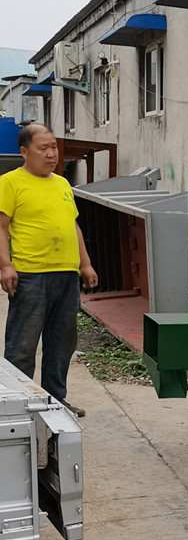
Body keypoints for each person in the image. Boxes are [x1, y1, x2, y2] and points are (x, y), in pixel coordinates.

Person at [0, 124, 98, 417]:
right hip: (30, 276)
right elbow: (1, 227)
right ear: (24, 152)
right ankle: (16, 407)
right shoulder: (10, 182)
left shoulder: (62, 184)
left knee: (61, 344)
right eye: (43, 148)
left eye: (53, 147)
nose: (51, 154)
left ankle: (55, 401)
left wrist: (85, 264)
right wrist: (5, 266)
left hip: (66, 276)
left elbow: (72, 225)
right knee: (22, 346)